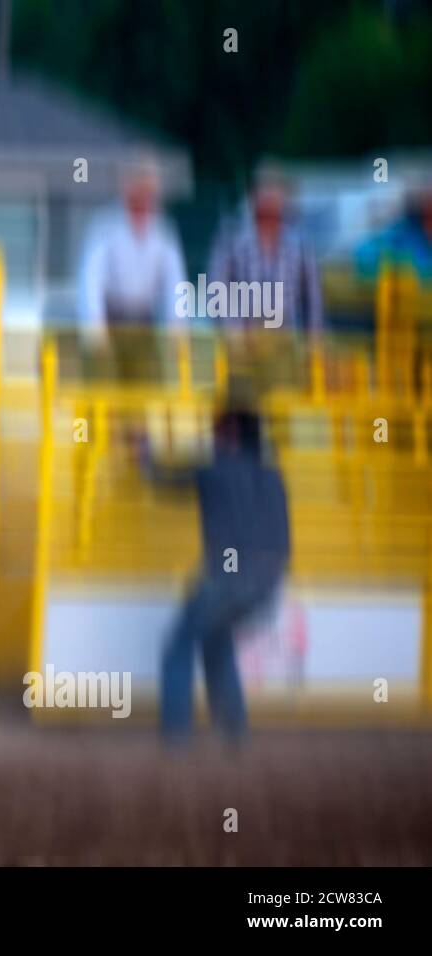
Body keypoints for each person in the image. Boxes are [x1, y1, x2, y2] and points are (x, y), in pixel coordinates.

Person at [142, 403, 291, 746]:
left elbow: (164, 478)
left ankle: (176, 739)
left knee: (179, 646)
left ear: (232, 432)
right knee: (218, 642)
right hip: (269, 580)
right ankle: (234, 734)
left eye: (217, 428)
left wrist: (145, 455)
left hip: (228, 572)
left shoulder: (216, 468)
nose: (212, 435)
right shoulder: (273, 474)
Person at [79, 155, 187, 380]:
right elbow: (90, 281)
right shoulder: (104, 226)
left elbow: (175, 285)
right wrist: (96, 330)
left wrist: (176, 330)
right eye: (136, 184)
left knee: (142, 398)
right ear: (125, 188)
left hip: (145, 325)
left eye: (148, 186)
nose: (142, 192)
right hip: (110, 324)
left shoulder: (164, 231)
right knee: (103, 402)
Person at [208, 169, 324, 339]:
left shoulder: (301, 243)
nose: (269, 196)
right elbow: (216, 287)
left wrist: (314, 342)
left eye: (275, 189)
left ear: (286, 197)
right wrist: (232, 333)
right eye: (264, 188)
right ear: (252, 195)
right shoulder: (232, 237)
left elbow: (313, 300)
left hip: (286, 340)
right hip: (243, 342)